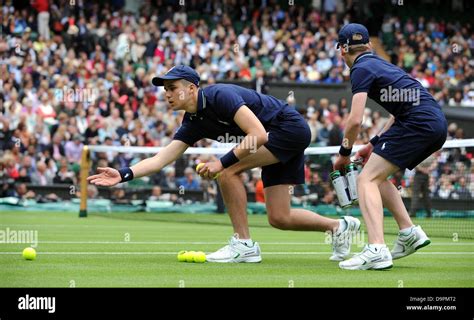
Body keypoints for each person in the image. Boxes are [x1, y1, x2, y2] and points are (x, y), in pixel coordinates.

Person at [88, 65, 361, 263]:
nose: (167, 94)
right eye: (165, 90)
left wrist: (222, 163)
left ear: (192, 88)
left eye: (172, 88)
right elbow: (162, 158)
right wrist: (123, 174)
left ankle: (244, 244)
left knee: (228, 170)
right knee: (279, 217)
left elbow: (258, 134)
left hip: (289, 130)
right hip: (276, 140)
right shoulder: (192, 122)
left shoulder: (221, 96)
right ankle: (340, 227)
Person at [333, 24, 447, 270]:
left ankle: (376, 248)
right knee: (377, 176)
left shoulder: (360, 69)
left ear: (342, 49)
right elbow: (398, 112)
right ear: (369, 45)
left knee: (366, 180)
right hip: (433, 123)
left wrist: (343, 154)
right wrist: (373, 145)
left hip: (418, 124)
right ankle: (408, 233)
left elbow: (354, 120)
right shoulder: (382, 64)